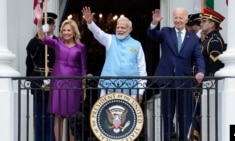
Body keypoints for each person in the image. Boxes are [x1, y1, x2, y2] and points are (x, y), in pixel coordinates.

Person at [147, 8, 205, 141]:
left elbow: (199, 57)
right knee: (167, 115)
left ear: (186, 20)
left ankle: (183, 138)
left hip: (184, 81)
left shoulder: (193, 39)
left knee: (184, 115)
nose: (178, 20)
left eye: (180, 17)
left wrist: (201, 71)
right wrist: (154, 23)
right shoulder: (166, 32)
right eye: (176, 17)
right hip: (167, 80)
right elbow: (152, 34)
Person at [34, 4, 87, 141]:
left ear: (74, 31)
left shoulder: (81, 47)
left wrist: (84, 88)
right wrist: (39, 21)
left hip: (74, 84)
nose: (66, 33)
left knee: (72, 116)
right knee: (58, 116)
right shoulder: (57, 42)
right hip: (58, 83)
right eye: (64, 30)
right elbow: (42, 38)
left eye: (69, 30)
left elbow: (84, 69)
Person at [81, 6, 147, 104]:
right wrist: (90, 22)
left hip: (131, 89)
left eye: (123, 28)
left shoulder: (137, 45)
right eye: (118, 27)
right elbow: (98, 33)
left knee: (128, 117)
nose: (119, 30)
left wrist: (141, 91)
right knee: (106, 116)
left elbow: (142, 69)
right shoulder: (110, 39)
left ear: (130, 29)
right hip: (109, 87)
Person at [26, 12, 57, 141]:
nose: (46, 27)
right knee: (38, 118)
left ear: (53, 26)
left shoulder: (57, 41)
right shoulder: (35, 41)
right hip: (38, 82)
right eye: (44, 25)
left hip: (53, 81)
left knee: (50, 119)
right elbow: (29, 56)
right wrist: (40, 35)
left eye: (48, 24)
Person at [200, 7, 226, 76]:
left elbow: (215, 64)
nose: (201, 24)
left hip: (209, 82)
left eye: (204, 21)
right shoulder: (208, 39)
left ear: (211, 24)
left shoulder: (214, 40)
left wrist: (210, 81)